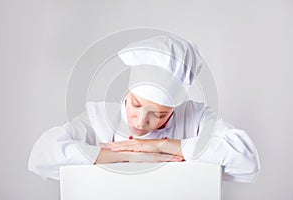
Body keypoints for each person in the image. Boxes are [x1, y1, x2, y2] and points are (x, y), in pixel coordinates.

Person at [28, 35, 260, 182]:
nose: (141, 122)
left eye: (158, 115)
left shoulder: (194, 117)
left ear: (174, 109)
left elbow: (246, 160)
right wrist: (126, 157)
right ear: (127, 93)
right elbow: (41, 155)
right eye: (136, 105)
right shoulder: (99, 117)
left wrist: (162, 146)